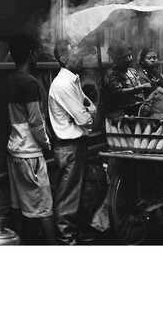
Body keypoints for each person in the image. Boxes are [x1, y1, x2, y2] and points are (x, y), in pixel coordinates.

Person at [6, 35, 57, 245]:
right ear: (31, 54)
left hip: (14, 148)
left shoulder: (11, 79)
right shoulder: (29, 81)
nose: (38, 56)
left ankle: (17, 243)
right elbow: (36, 121)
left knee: (18, 204)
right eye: (37, 52)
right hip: (30, 152)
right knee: (43, 207)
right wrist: (47, 144)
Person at [48, 39, 97, 245]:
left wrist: (87, 110)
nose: (81, 57)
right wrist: (89, 112)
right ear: (63, 59)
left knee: (75, 191)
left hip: (77, 144)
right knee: (68, 193)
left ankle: (72, 232)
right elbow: (85, 118)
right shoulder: (63, 84)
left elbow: (87, 105)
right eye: (76, 54)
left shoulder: (73, 80)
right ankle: (65, 238)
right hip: (69, 146)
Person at [104, 40, 151, 117]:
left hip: (139, 111)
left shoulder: (133, 71)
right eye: (124, 57)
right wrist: (141, 87)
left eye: (130, 55)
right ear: (115, 59)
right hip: (122, 114)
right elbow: (118, 93)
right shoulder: (112, 73)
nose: (129, 59)